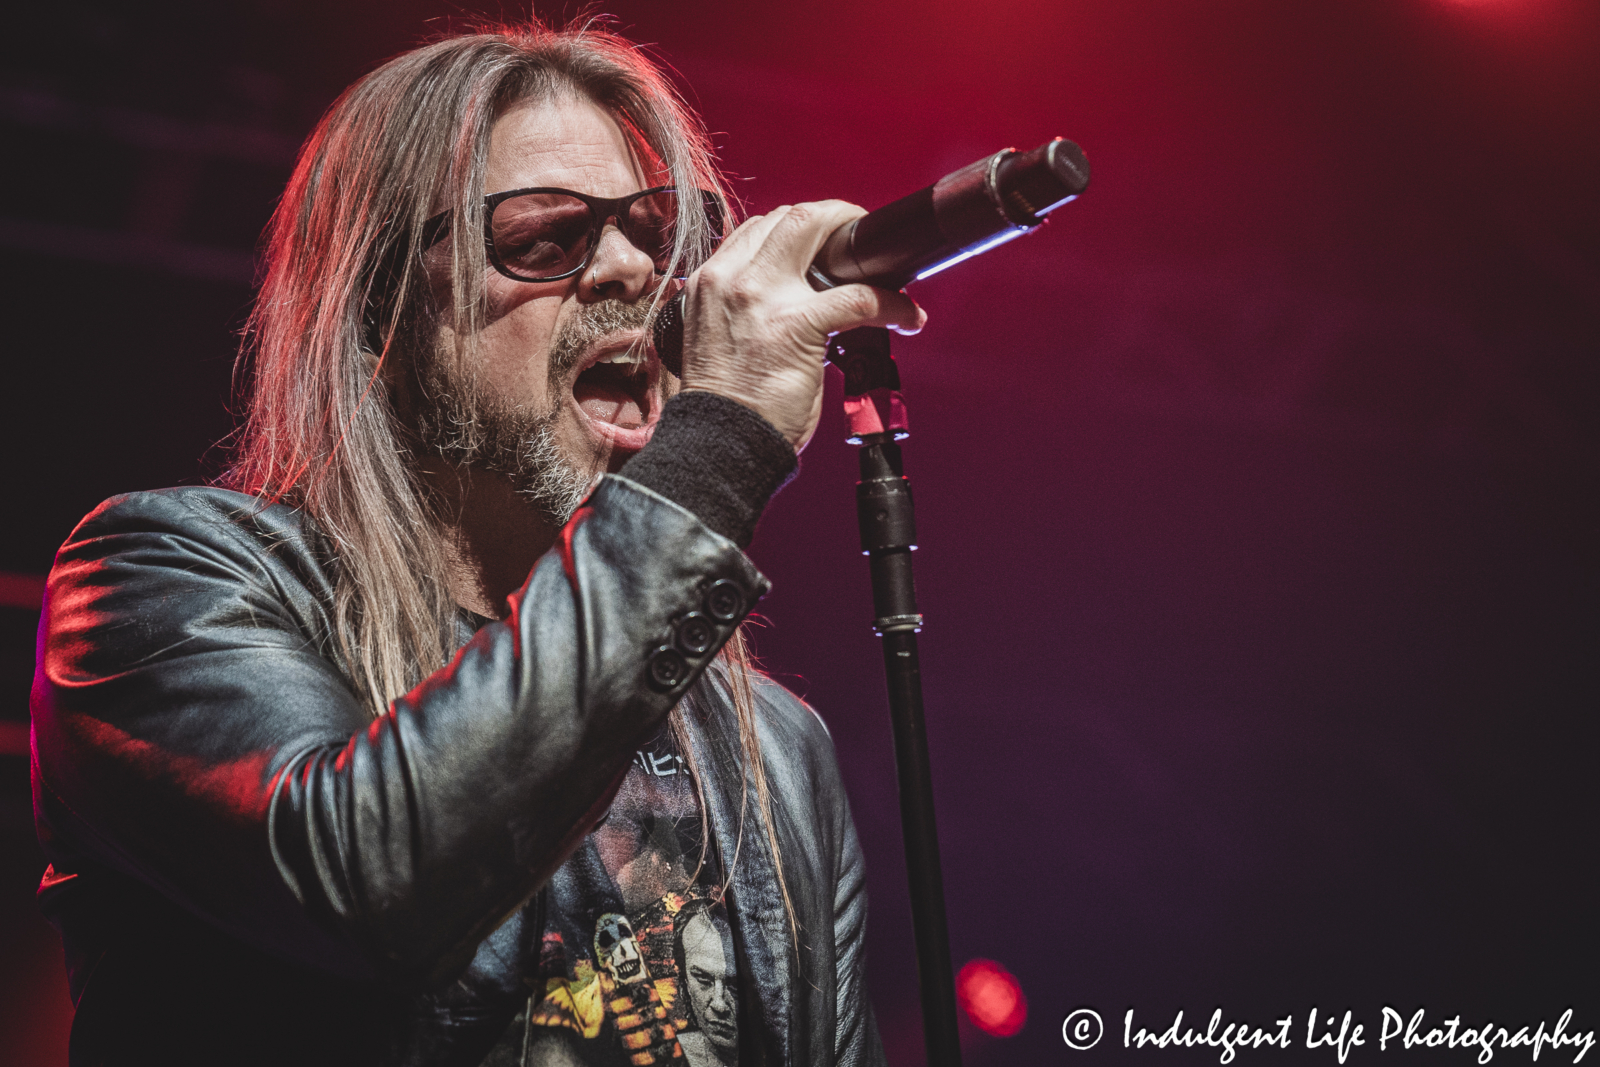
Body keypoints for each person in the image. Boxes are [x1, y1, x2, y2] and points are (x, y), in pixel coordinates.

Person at [28, 20, 924, 1067]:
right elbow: (366, 875)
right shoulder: (164, 579)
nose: (630, 269)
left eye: (657, 229)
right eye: (545, 236)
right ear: (383, 311)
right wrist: (718, 445)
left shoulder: (775, 744)